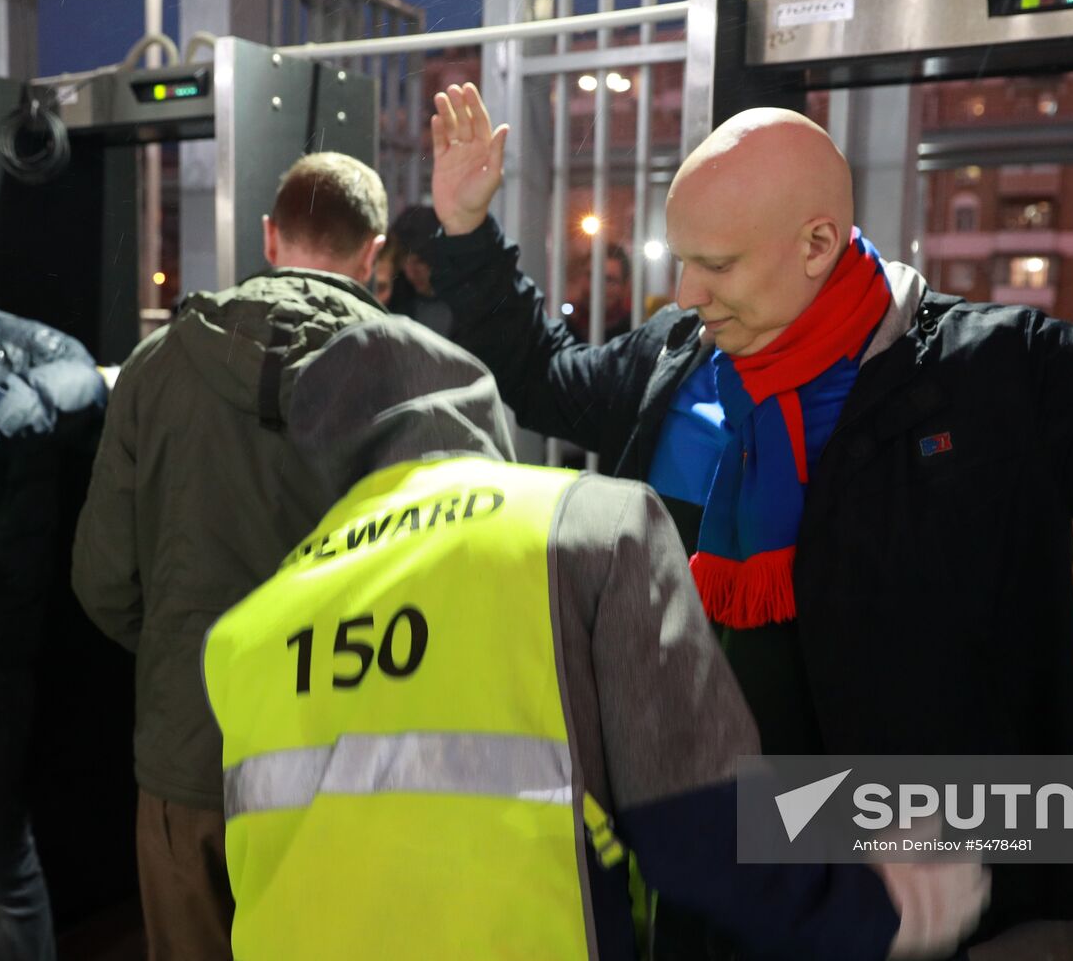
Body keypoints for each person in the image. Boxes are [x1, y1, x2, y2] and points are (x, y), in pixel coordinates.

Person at [426, 0, 1073, 952]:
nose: (686, 290)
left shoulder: (997, 376)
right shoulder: (676, 364)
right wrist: (467, 235)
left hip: (900, 887)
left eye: (717, 263)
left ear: (817, 243)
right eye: (681, 258)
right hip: (701, 865)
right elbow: (535, 377)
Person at [201, 313, 990, 960]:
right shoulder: (586, 526)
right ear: (476, 410)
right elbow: (696, 822)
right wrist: (875, 907)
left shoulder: (249, 626)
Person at [71, 151, 389, 961]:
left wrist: (194, 653)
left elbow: (103, 580)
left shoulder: (154, 368)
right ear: (374, 253)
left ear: (269, 236)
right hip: (352, 758)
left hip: (192, 755)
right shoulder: (409, 373)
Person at [0, 310, 107, 961]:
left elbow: (82, 375)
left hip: (4, 653)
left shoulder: (14, 348)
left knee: (7, 858)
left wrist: (25, 401)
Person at [385, 204, 458, 337]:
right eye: (403, 263)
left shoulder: (467, 300)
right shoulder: (394, 297)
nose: (410, 273)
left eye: (419, 262)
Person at [566, 244, 634, 341]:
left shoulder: (632, 333)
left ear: (624, 287)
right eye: (591, 276)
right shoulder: (565, 329)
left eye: (609, 280)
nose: (597, 286)